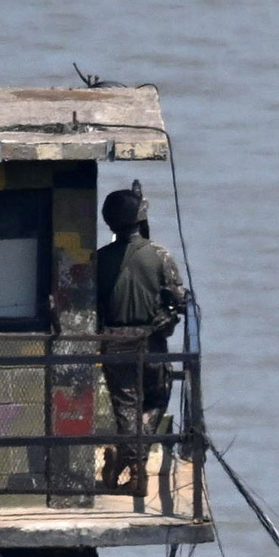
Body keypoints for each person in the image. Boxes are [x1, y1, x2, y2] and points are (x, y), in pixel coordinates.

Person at [94, 187, 188, 499]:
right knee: (157, 402)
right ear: (141, 218)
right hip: (152, 342)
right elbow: (178, 298)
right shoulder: (160, 256)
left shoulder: (99, 260)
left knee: (126, 408)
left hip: (114, 341)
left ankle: (130, 464)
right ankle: (135, 466)